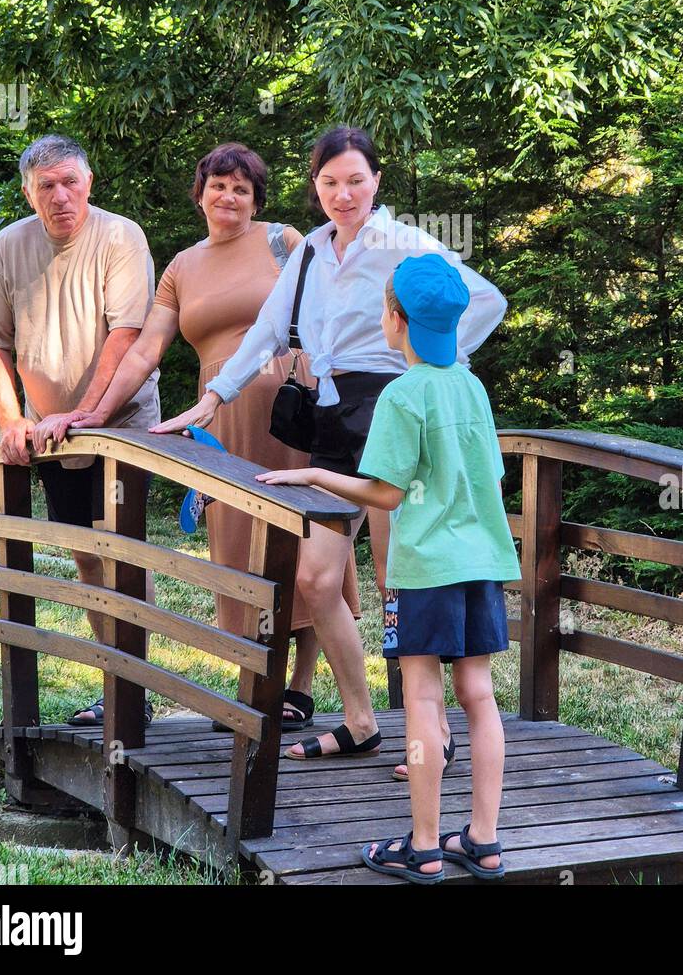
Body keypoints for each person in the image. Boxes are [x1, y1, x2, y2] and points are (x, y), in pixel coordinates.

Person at [153, 125, 507, 767]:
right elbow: (265, 330)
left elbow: (484, 300)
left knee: (403, 578)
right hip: (334, 416)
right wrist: (214, 397)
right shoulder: (311, 251)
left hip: (395, 409)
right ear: (315, 187)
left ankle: (437, 736)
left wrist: (430, 369)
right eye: (329, 182)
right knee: (317, 580)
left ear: (376, 181)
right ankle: (361, 720)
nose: (343, 194)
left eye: (355, 180)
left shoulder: (405, 243)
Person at [60, 142, 361, 732]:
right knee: (239, 541)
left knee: (306, 535)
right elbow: (146, 348)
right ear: (200, 193)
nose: (229, 196)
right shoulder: (181, 266)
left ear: (256, 200)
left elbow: (335, 313)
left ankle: (298, 687)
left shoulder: (285, 241)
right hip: (220, 418)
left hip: (291, 407)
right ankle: (256, 682)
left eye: (242, 189)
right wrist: (96, 409)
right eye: (219, 185)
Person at [257, 252, 520, 883]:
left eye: (384, 306)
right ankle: (483, 840)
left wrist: (315, 472)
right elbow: (493, 474)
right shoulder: (471, 385)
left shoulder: (403, 394)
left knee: (424, 697)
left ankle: (424, 844)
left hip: (427, 567)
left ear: (394, 319)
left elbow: (385, 492)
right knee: (479, 696)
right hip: (482, 560)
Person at [0, 134, 161, 725]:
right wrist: (10, 420)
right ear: (28, 193)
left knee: (122, 553)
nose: (60, 196)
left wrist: (88, 412)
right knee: (84, 556)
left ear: (89, 183)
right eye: (46, 186)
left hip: (120, 423)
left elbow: (126, 336)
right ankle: (115, 685)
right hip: (50, 435)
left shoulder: (120, 236)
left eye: (70, 182)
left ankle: (134, 692)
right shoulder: (9, 247)